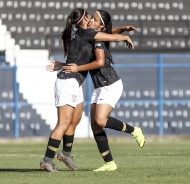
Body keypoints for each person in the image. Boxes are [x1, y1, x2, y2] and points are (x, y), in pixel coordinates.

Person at [40, 8, 135, 172]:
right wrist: (124, 36)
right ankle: (47, 161)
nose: (91, 19)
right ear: (84, 20)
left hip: (74, 82)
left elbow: (105, 32)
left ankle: (66, 154)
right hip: (67, 82)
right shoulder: (86, 33)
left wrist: (123, 29)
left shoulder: (83, 33)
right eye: (90, 16)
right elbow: (110, 36)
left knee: (75, 121)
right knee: (63, 123)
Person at [61, 9, 145, 172]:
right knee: (95, 125)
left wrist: (78, 68)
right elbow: (110, 31)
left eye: (94, 19)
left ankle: (134, 130)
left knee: (100, 120)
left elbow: (100, 62)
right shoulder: (93, 34)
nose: (91, 19)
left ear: (101, 25)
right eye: (91, 17)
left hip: (110, 84)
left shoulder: (98, 40)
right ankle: (109, 163)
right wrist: (123, 29)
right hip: (100, 86)